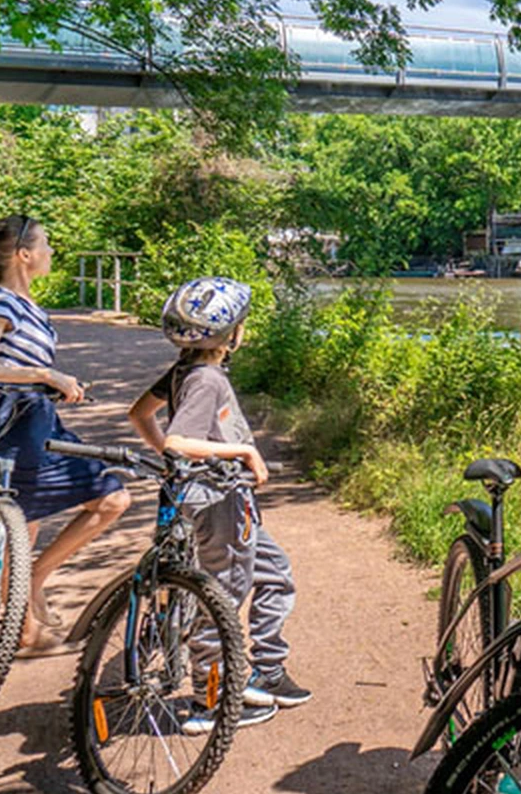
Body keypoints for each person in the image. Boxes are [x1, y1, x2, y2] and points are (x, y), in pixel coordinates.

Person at [126, 276, 308, 732]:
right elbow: (179, 442)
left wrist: (174, 465)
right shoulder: (205, 378)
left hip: (226, 499)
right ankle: (212, 696)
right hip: (217, 502)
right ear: (232, 335)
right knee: (220, 595)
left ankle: (265, 668)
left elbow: (140, 415)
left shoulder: (186, 371)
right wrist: (243, 452)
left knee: (275, 572)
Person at [0, 215, 131, 655]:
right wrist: (44, 374)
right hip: (19, 424)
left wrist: (47, 384)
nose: (51, 252)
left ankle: (27, 623)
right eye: (45, 244)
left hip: (34, 418)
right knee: (110, 499)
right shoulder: (3, 302)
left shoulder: (18, 304)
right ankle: (30, 593)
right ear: (24, 255)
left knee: (26, 524)